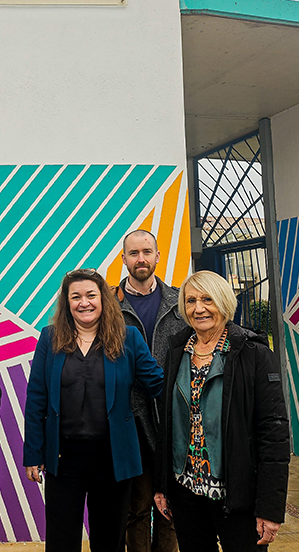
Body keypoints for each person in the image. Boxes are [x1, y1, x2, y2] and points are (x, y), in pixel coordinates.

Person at [23, 268, 165, 552]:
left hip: (113, 457)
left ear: (103, 299)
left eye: (91, 295)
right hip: (63, 459)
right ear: (66, 302)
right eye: (75, 297)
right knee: (61, 541)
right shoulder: (50, 338)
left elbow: (158, 383)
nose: (84, 302)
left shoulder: (128, 337)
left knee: (109, 540)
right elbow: (37, 397)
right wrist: (33, 454)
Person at [153, 271, 290, 551]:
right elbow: (167, 423)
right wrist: (162, 485)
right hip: (186, 492)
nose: (198, 308)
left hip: (238, 495)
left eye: (208, 299)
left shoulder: (253, 353)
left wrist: (270, 507)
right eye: (191, 300)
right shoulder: (177, 351)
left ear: (224, 302)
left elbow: (273, 431)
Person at [116, 230, 186, 552]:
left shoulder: (180, 301)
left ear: (158, 256)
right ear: (124, 259)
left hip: (174, 419)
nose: (141, 259)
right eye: (134, 253)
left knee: (171, 509)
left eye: (147, 252)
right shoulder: (109, 306)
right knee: (138, 508)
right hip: (132, 420)